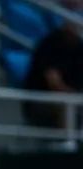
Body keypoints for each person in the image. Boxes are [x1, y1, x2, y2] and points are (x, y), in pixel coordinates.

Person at [22, 6, 83, 137]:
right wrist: (72, 96)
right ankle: (67, 146)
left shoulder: (79, 48)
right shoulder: (50, 44)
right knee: (67, 106)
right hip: (42, 99)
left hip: (73, 98)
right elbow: (53, 81)